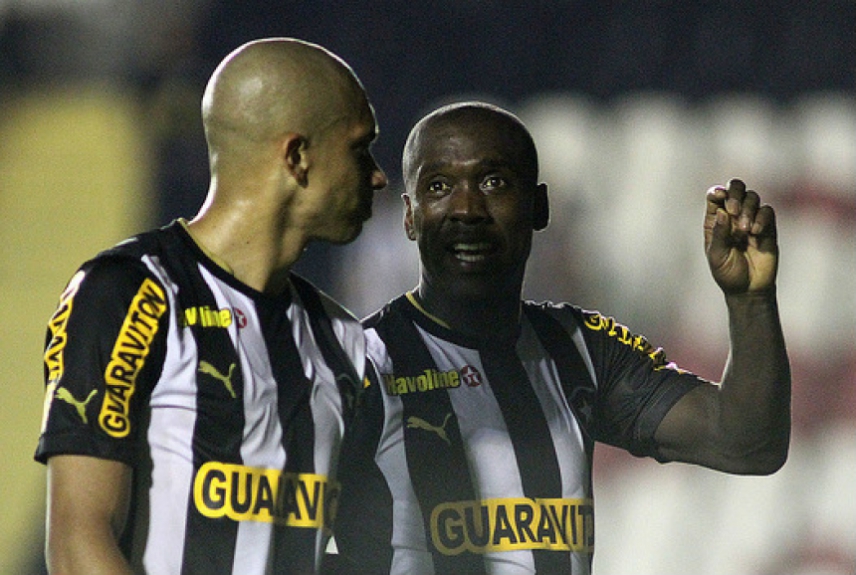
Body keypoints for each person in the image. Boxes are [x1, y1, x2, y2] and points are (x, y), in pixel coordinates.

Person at [326, 101, 790, 574]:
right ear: (409, 216)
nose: (466, 209)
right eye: (439, 186)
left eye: (494, 182)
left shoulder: (582, 348)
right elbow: (272, 542)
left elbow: (748, 442)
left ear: (539, 207)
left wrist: (750, 300)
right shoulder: (356, 367)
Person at [34, 37, 387, 575]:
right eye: (360, 149)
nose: (379, 175)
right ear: (297, 156)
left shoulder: (342, 339)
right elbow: (79, 542)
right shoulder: (133, 294)